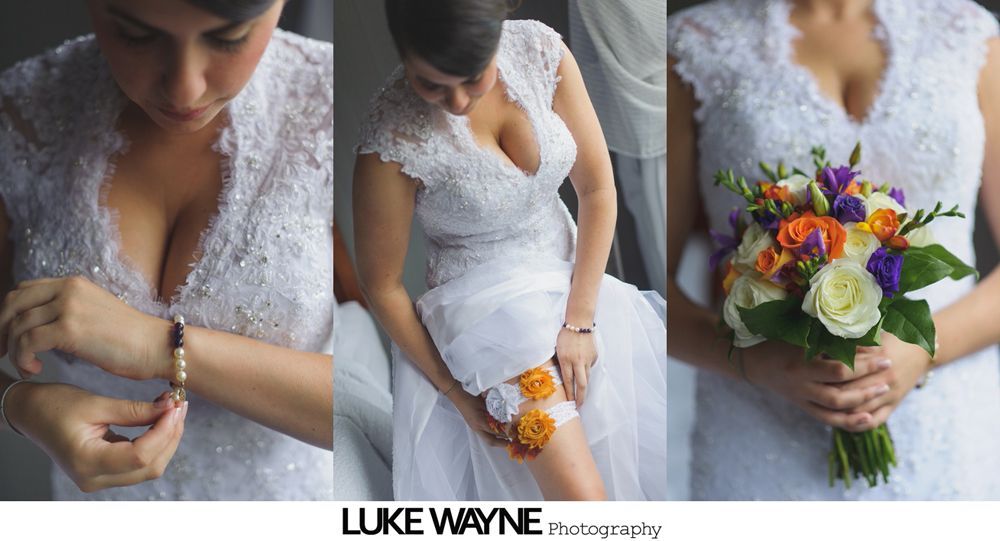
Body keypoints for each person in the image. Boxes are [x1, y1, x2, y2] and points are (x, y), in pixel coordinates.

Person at [0, 0, 333, 500]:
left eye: (228, 38)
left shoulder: (329, 107)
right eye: (137, 35)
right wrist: (19, 405)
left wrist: (156, 346)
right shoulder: (20, 114)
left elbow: (380, 399)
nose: (184, 89)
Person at [667, 0, 1000, 499]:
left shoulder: (968, 33)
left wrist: (924, 348)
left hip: (948, 421)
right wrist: (759, 364)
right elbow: (650, 291)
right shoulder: (694, 44)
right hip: (762, 423)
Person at [352, 0, 667, 501]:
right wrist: (454, 393)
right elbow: (382, 285)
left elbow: (597, 188)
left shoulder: (541, 52)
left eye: (472, 77)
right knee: (583, 499)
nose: (457, 101)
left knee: (634, 461)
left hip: (573, 279)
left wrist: (580, 320)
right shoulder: (390, 139)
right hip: (487, 317)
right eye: (430, 83)